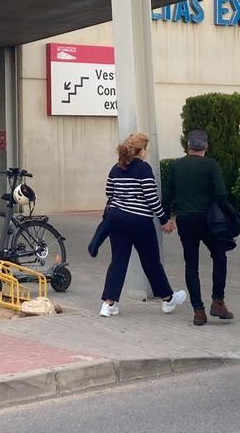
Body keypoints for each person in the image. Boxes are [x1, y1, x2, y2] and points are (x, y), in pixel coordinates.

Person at [99, 133, 187, 318]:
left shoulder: (116, 168)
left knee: (118, 260)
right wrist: (164, 220)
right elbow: (152, 198)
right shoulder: (144, 169)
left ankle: (108, 304)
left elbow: (109, 192)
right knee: (151, 261)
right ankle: (167, 299)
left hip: (116, 220)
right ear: (143, 151)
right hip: (139, 222)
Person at [162, 129, 232, 326]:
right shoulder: (211, 165)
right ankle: (218, 301)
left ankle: (198, 310)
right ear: (206, 147)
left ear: (187, 147)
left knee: (191, 264)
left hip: (185, 220)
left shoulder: (177, 166)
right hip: (209, 220)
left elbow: (167, 196)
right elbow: (221, 194)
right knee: (219, 256)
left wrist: (166, 218)